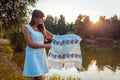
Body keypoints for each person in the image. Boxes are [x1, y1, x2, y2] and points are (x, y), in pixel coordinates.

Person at [22, 9, 53, 80]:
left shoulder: (41, 28)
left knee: (37, 76)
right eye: (41, 18)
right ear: (35, 17)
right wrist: (46, 45)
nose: (42, 20)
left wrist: (67, 39)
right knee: (39, 77)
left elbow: (52, 36)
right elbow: (30, 44)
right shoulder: (26, 28)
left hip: (41, 54)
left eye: (43, 18)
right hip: (33, 55)